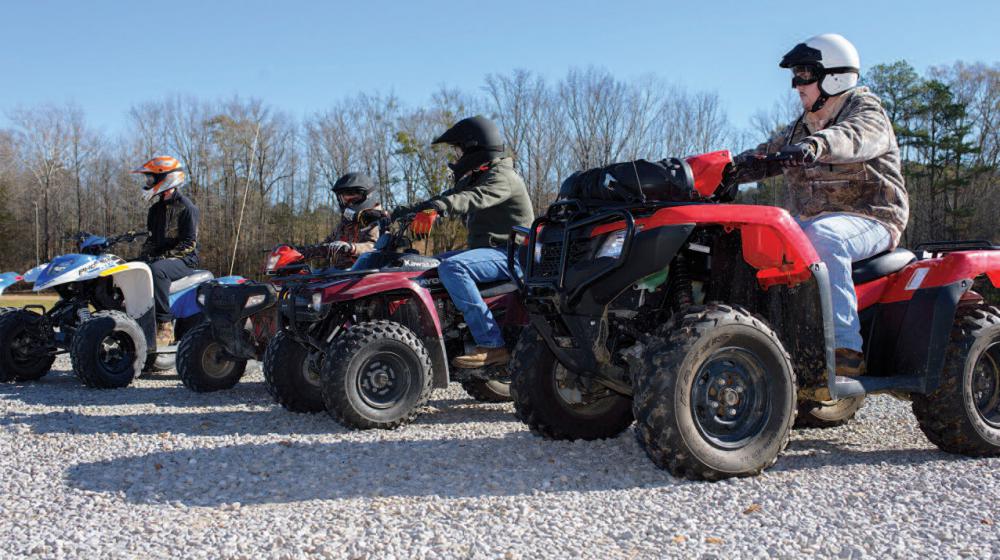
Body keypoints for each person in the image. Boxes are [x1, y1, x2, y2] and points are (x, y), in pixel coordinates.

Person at [731, 33, 909, 380]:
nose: (796, 85)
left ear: (834, 76)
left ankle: (845, 351)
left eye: (804, 75)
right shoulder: (802, 126)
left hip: (872, 218)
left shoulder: (866, 111)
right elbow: (766, 154)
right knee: (753, 238)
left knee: (824, 237)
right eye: (795, 76)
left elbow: (854, 137)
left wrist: (815, 145)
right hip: (811, 222)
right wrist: (725, 170)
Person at [393, 116, 534, 368]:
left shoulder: (503, 176)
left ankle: (492, 344)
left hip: (512, 254)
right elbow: (444, 197)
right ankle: (447, 335)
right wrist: (398, 214)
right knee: (419, 264)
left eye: (459, 150)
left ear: (474, 148)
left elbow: (472, 198)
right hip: (487, 253)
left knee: (453, 267)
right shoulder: (476, 176)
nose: (457, 156)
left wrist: (438, 209)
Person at [132, 156, 200, 346]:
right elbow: (152, 240)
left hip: (185, 259)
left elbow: (189, 244)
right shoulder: (155, 209)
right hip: (160, 258)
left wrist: (162, 257)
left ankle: (165, 325)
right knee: (130, 268)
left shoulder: (187, 208)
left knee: (157, 270)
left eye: (151, 178)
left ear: (167, 178)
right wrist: (139, 259)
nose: (148, 183)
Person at [303, 172, 384, 268]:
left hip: (365, 276)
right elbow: (327, 245)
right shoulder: (346, 222)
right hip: (341, 276)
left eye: (351, 199)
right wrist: (301, 252)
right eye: (344, 200)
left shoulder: (377, 220)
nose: (347, 204)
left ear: (366, 196)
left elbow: (375, 247)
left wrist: (351, 248)